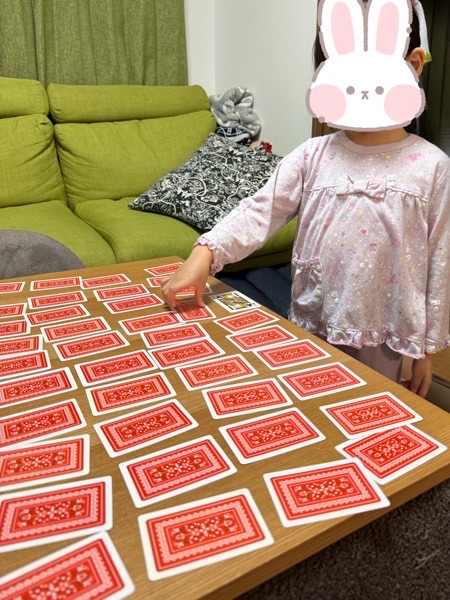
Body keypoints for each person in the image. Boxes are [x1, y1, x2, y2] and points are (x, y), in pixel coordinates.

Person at [161, 0, 449, 399]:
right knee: (314, 404)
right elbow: (260, 211)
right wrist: (205, 253)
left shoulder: (432, 167)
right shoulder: (312, 155)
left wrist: (426, 348)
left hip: (386, 332)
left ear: (413, 65)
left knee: (373, 410)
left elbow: (440, 261)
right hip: (313, 317)